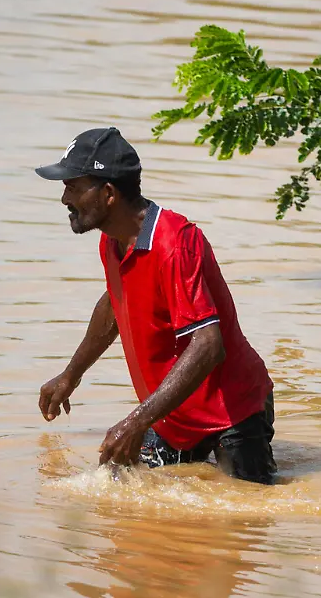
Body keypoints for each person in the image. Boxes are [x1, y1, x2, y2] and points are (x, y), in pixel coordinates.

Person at [34, 127, 277, 485]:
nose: (64, 199)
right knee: (129, 499)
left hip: (232, 413)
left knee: (247, 516)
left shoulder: (174, 244)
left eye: (72, 186)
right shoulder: (112, 242)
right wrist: (72, 375)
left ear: (109, 193)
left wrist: (135, 422)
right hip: (173, 416)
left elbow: (209, 345)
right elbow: (115, 304)